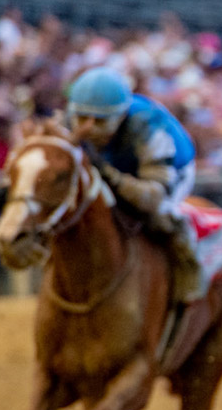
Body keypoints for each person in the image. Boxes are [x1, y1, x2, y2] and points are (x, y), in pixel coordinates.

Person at [67, 66, 203, 303]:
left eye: (99, 121)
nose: (88, 128)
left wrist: (112, 177)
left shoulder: (149, 128)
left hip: (171, 172)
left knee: (159, 215)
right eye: (82, 118)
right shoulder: (69, 120)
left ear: (120, 116)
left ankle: (187, 262)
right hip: (118, 164)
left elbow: (154, 196)